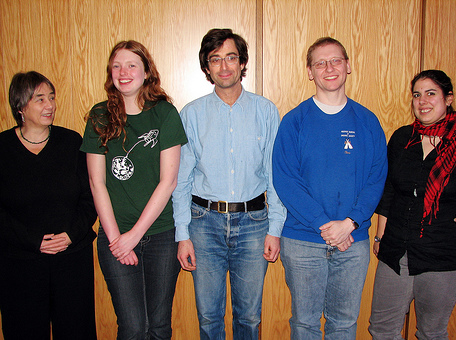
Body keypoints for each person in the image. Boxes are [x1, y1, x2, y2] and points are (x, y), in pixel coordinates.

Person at [172, 28, 286, 339]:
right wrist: (182, 234)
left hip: (254, 223)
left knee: (248, 317)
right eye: (216, 59)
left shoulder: (266, 111)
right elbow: (181, 180)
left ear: (242, 63)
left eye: (231, 58)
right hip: (203, 223)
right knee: (209, 317)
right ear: (206, 67)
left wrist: (274, 228)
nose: (224, 67)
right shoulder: (192, 114)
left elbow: (275, 176)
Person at [369, 69, 456, 339]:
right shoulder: (403, 138)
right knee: (381, 329)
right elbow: (389, 189)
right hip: (396, 251)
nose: (422, 101)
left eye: (431, 93)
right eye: (417, 95)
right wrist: (380, 235)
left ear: (448, 98)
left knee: (431, 332)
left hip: (444, 255)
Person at [272, 37, 388, 339]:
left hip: (354, 240)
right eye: (320, 63)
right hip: (303, 242)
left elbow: (377, 178)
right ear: (310, 71)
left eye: (336, 60)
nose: (329, 68)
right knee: (305, 324)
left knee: (345, 323)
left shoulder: (367, 121)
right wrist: (325, 225)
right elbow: (286, 180)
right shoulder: (294, 121)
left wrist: (349, 223)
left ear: (348, 66)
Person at [81, 40, 187, 339]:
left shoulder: (165, 114)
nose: (123, 72)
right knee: (132, 328)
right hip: (114, 236)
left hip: (161, 236)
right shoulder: (99, 115)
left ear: (146, 72)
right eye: (116, 66)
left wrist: (135, 236)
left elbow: (169, 181)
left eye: (131, 65)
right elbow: (96, 182)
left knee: (158, 326)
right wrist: (117, 239)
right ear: (110, 73)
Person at [0, 71, 97, 339]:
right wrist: (33, 241)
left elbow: (90, 199)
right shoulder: (3, 148)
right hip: (20, 262)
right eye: (40, 99)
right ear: (20, 106)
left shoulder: (71, 142)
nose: (50, 105)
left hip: (71, 258)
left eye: (52, 98)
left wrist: (70, 235)